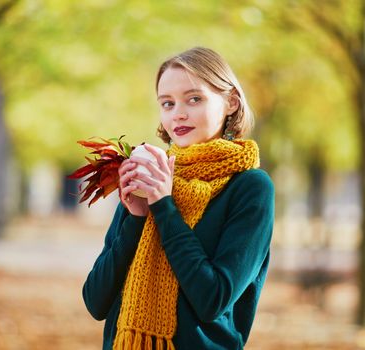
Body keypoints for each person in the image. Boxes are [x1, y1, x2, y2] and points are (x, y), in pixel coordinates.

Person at [82, 47, 275, 350]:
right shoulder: (150, 176)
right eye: (167, 103)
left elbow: (212, 300)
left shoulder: (250, 187)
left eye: (194, 99)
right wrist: (135, 218)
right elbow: (95, 301)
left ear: (231, 102)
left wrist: (164, 208)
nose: (179, 113)